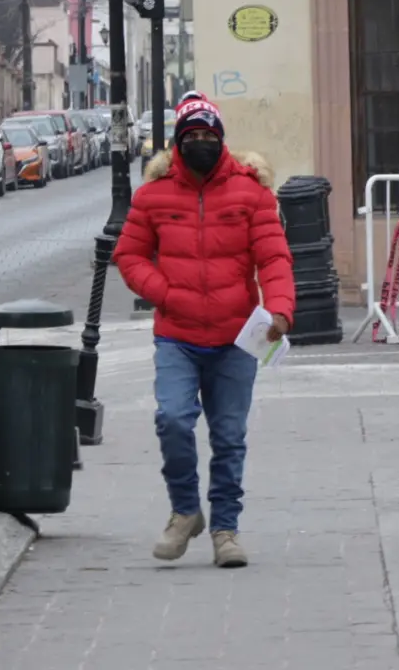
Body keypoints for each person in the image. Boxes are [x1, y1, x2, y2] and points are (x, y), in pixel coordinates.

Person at [113, 98, 295, 568]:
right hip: (177, 334)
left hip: (236, 338)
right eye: (190, 137)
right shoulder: (152, 197)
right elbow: (129, 255)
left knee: (229, 436)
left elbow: (273, 258)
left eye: (208, 137)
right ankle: (184, 511)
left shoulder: (252, 194)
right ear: (177, 143)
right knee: (173, 419)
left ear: (221, 139)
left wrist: (279, 310)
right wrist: (165, 293)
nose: (200, 144)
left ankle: (225, 530)